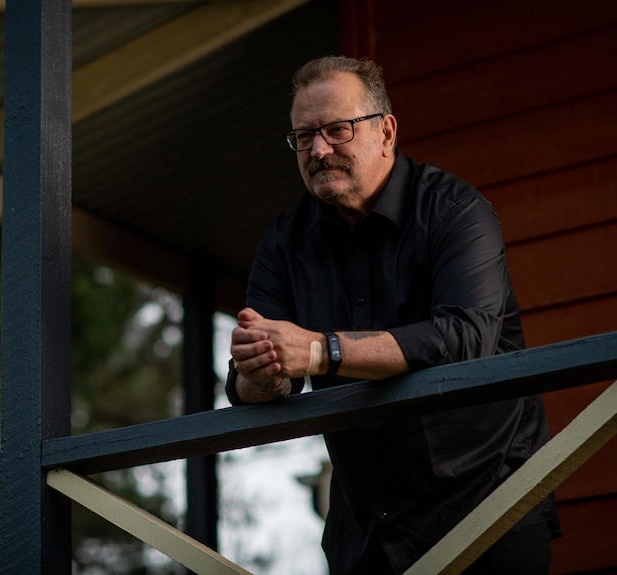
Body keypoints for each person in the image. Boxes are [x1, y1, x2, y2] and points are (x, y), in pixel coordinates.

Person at [226, 56, 560, 574]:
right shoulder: (282, 241)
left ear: (386, 131)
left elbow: (465, 336)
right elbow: (253, 386)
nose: (318, 150)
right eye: (303, 136)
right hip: (366, 528)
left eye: (337, 130)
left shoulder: (455, 210)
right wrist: (259, 370)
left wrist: (318, 350)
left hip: (489, 505)